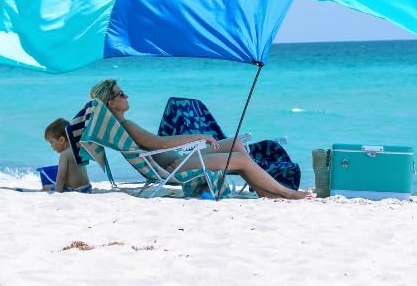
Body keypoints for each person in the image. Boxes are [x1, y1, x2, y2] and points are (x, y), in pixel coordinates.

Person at [88, 79, 313, 199]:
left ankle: (263, 189)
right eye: (121, 94)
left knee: (235, 143)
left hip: (177, 160)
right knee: (241, 159)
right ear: (111, 102)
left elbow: (158, 146)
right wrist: (198, 137)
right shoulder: (127, 125)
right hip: (175, 167)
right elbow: (161, 144)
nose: (126, 96)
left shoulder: (124, 125)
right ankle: (286, 192)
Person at [43, 118, 92, 193]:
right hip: (87, 188)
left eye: (51, 142)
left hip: (75, 190)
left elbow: (61, 176)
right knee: (50, 187)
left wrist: (57, 192)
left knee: (46, 188)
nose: (51, 146)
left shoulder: (64, 154)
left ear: (61, 140)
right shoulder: (77, 149)